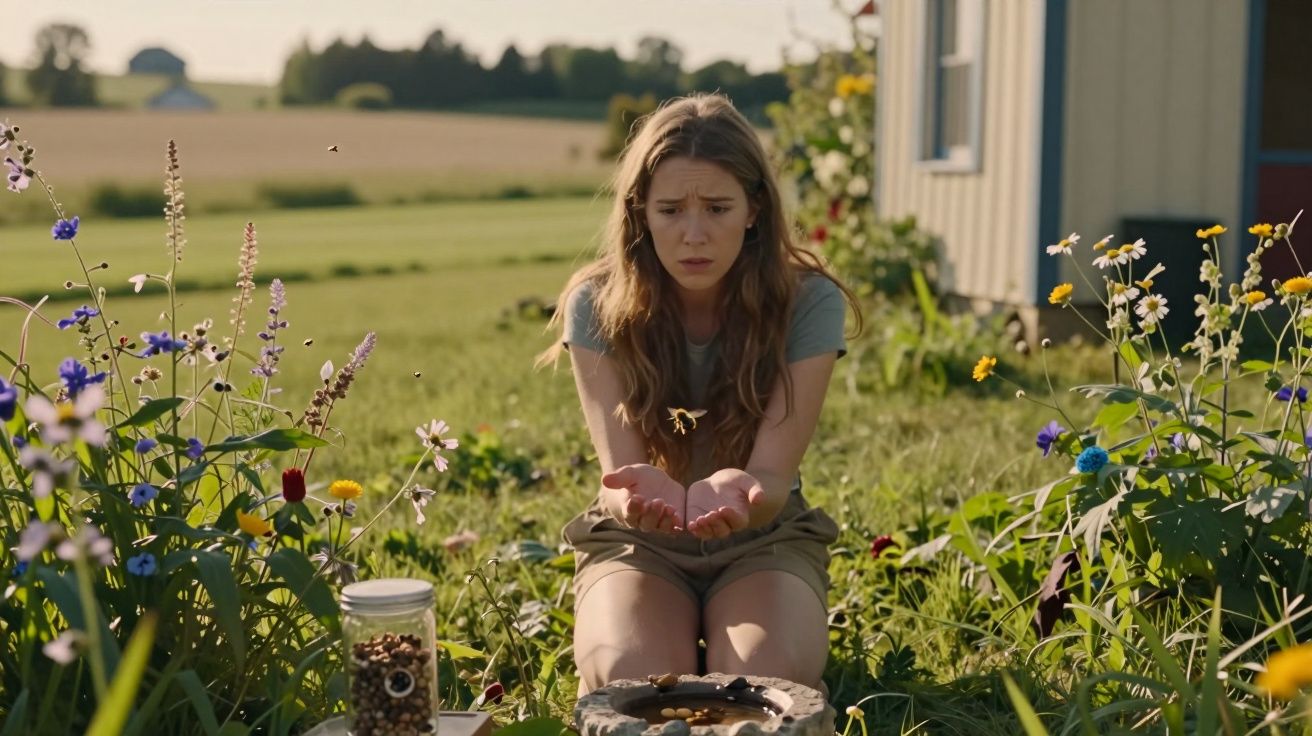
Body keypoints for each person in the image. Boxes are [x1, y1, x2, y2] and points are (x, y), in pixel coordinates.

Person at [538, 93, 861, 696]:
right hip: (639, 543)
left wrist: (745, 496)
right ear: (640, 213)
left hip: (763, 539)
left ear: (754, 210)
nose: (694, 234)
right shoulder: (595, 305)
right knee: (635, 684)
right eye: (670, 210)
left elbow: (771, 474)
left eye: (717, 207)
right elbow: (619, 476)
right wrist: (636, 499)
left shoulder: (809, 302)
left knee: (762, 688)